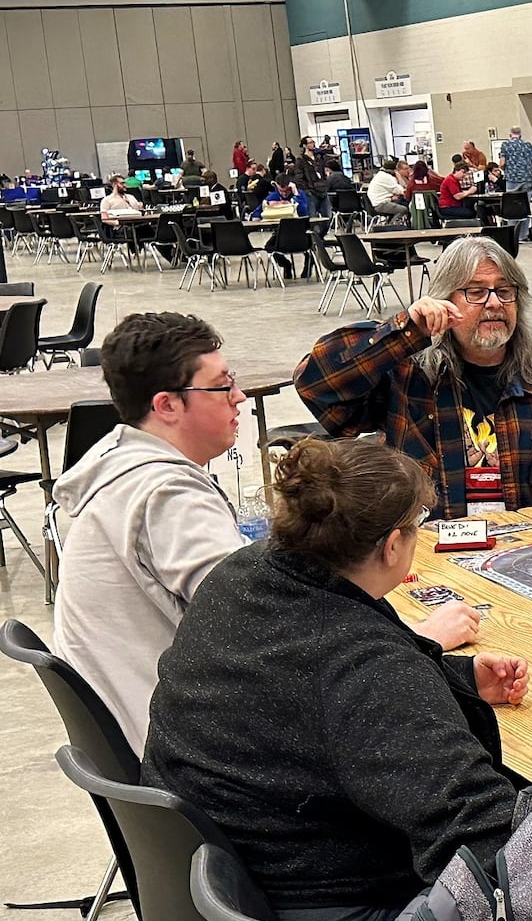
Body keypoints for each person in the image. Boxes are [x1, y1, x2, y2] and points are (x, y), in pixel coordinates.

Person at [142, 436, 523, 921]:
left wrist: (452, 681)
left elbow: (297, 692)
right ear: (394, 544)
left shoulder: (241, 576)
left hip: (219, 901)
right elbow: (485, 836)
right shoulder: (363, 663)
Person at [52, 313, 481, 755]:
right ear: (167, 405)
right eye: (222, 386)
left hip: (161, 736)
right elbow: (262, 626)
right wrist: (418, 640)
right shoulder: (166, 495)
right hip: (190, 754)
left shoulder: (123, 467)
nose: (238, 397)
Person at [296, 236, 532, 517]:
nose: (495, 303)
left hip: (524, 557)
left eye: (504, 291)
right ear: (444, 301)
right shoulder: (407, 378)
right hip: (430, 558)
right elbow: (316, 384)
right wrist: (406, 331)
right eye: (476, 292)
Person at [294, 137, 330, 219]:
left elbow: (323, 172)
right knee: (312, 218)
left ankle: (323, 231)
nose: (313, 144)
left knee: (328, 216)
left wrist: (325, 183)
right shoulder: (301, 160)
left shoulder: (319, 158)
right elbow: (298, 177)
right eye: (310, 142)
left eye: (313, 142)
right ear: (304, 145)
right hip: (311, 192)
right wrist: (306, 189)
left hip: (323, 190)